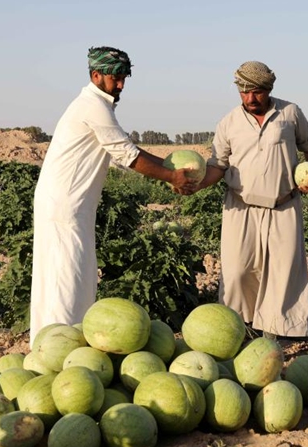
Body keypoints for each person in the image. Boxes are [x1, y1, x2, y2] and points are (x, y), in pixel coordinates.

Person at [29, 46, 198, 345]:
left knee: (76, 277)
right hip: (64, 207)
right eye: (115, 78)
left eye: (124, 78)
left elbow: (125, 148)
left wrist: (169, 167)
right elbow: (128, 156)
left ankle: (62, 343)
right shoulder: (92, 107)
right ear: (96, 75)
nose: (120, 85)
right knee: (64, 280)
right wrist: (171, 176)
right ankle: (56, 347)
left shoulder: (97, 105)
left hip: (71, 206)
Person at [195, 60, 308, 339]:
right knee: (239, 272)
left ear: (269, 89)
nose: (250, 99)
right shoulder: (228, 122)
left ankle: (271, 340)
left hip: (284, 205)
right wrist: (196, 185)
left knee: (281, 274)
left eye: (257, 92)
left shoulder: (290, 113)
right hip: (241, 207)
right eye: (244, 92)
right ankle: (238, 332)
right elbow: (218, 166)